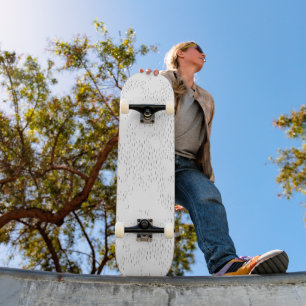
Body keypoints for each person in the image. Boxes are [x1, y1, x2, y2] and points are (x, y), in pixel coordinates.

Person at [140, 41, 289, 276]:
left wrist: (194, 186)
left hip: (187, 166)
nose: (203, 54)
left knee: (208, 196)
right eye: (197, 50)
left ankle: (225, 264)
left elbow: (203, 142)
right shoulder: (162, 80)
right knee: (149, 216)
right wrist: (145, 86)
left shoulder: (207, 98)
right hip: (157, 158)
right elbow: (140, 111)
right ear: (181, 53)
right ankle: (142, 259)